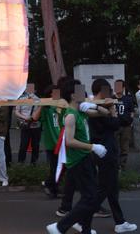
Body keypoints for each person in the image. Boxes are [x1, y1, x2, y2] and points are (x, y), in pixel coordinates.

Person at [46, 77, 109, 234]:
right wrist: (93, 147)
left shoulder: (81, 110)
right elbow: (69, 141)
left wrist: (94, 105)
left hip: (85, 158)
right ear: (73, 95)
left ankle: (84, 228)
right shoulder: (71, 115)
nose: (84, 93)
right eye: (80, 91)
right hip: (78, 161)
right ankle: (60, 226)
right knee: (90, 198)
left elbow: (106, 113)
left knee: (90, 196)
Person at [88, 79, 137, 233]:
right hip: (106, 151)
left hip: (105, 150)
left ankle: (120, 222)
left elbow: (120, 121)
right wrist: (113, 110)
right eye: (108, 90)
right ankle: (80, 218)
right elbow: (115, 124)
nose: (110, 93)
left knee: (112, 188)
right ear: (101, 91)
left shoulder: (94, 105)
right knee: (103, 189)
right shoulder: (99, 107)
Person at [32, 86, 65, 198]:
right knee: (56, 167)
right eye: (53, 93)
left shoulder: (62, 106)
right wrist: (42, 105)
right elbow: (34, 117)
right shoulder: (47, 108)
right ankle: (50, 186)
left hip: (62, 141)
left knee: (62, 167)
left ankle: (52, 188)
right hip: (52, 142)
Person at [113, 80, 135, 171]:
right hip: (115, 126)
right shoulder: (111, 99)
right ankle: (116, 166)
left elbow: (132, 112)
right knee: (115, 146)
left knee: (124, 147)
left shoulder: (128, 99)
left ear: (123, 88)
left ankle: (123, 166)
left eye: (119, 86)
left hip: (126, 126)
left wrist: (130, 121)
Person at [15, 95, 42, 165]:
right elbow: (17, 112)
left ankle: (34, 162)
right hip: (25, 125)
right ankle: (21, 162)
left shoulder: (38, 99)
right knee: (23, 144)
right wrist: (24, 117)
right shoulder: (21, 99)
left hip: (36, 126)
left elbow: (40, 111)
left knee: (35, 145)